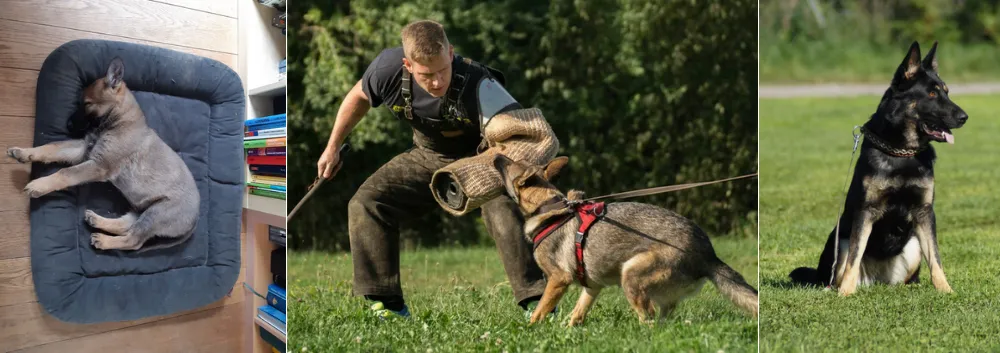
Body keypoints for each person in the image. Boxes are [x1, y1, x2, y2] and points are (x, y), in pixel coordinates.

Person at [316, 19, 547, 319]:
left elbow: (523, 139)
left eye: (443, 71)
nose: (437, 82)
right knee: (367, 202)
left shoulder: (482, 85)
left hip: (484, 159)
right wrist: (332, 146)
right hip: (429, 156)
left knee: (503, 210)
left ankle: (537, 302)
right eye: (427, 75)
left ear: (451, 53)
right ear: (408, 65)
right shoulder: (386, 70)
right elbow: (358, 96)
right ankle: (387, 306)